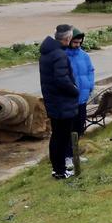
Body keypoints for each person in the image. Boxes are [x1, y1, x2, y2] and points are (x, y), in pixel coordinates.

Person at [39, 24, 80, 180]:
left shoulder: (47, 52)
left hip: (53, 100)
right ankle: (61, 170)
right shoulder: (59, 55)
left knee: (56, 136)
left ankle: (57, 169)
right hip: (62, 102)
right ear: (68, 38)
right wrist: (75, 90)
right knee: (62, 137)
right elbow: (62, 80)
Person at [65, 27, 95, 171]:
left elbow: (90, 70)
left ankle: (75, 153)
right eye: (75, 42)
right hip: (70, 100)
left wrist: (90, 85)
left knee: (79, 128)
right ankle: (68, 156)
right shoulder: (64, 56)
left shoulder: (84, 55)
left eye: (79, 42)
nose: (77, 44)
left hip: (82, 98)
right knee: (69, 130)